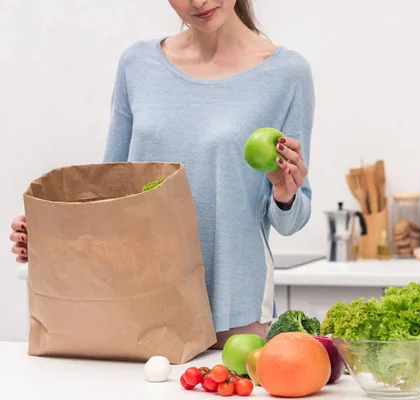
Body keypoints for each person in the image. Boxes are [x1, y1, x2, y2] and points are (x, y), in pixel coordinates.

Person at [9, 0, 314, 349]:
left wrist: (284, 193)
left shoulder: (287, 73)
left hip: (231, 315)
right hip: (141, 306)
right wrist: (55, 234)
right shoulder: (137, 65)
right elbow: (110, 192)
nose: (199, 2)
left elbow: (292, 221)